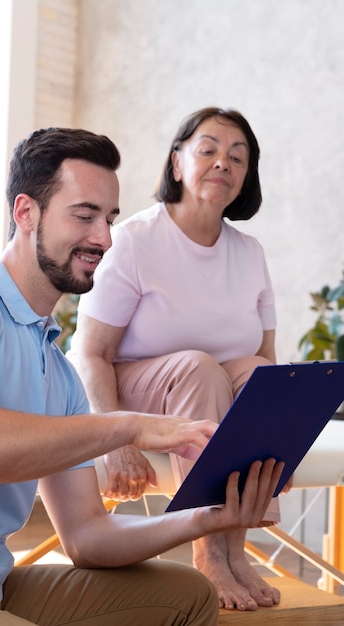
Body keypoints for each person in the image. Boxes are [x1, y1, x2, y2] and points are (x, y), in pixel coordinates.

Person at [0, 127, 284, 626]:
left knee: (188, 594)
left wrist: (206, 518)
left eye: (110, 218)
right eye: (84, 215)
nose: (104, 238)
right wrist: (129, 426)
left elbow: (87, 537)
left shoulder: (57, 372)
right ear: (25, 213)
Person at [69, 107, 282, 612]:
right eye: (207, 150)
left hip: (208, 388)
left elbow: (267, 358)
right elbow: (91, 351)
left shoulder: (250, 252)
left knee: (258, 374)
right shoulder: (136, 240)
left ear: (246, 175)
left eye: (237, 156)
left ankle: (236, 545)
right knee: (198, 366)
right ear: (177, 162)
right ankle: (208, 548)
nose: (222, 164)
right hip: (135, 388)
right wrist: (113, 436)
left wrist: (282, 439)